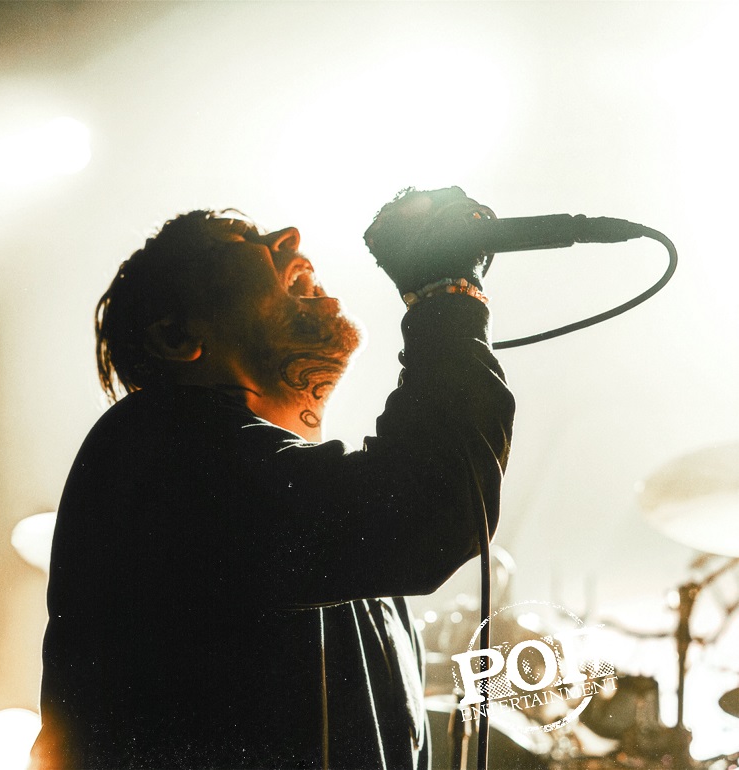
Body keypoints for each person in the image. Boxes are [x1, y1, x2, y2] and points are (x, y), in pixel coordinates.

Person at [31, 187, 515, 770]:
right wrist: (445, 298)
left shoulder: (320, 514)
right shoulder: (154, 446)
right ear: (177, 338)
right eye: (238, 242)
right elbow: (430, 510)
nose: (288, 237)